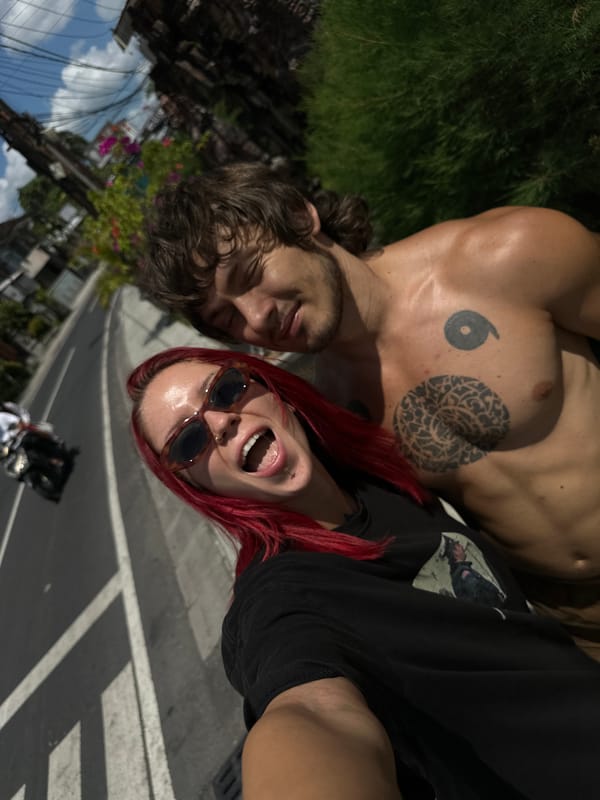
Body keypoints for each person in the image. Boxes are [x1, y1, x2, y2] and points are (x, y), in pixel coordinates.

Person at [137, 162, 600, 659]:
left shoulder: (506, 257)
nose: (256, 316)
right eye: (227, 317)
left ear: (300, 217)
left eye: (251, 274)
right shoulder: (329, 409)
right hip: (567, 619)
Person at [128, 345, 600, 800]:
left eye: (225, 389)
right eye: (189, 441)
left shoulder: (372, 476)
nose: (221, 421)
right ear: (196, 486)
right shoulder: (281, 601)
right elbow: (311, 712)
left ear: (267, 386)